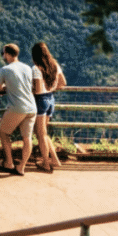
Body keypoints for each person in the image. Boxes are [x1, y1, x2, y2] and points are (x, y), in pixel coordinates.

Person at [0, 43, 37, 176]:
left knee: (3, 133)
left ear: (7, 53)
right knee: (27, 138)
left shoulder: (5, 70)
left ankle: (9, 163)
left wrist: (6, 88)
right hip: (32, 107)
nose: (3, 56)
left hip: (17, 107)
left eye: (3, 53)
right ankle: (21, 167)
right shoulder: (27, 68)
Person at [31, 42, 67, 172]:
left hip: (40, 101)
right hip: (51, 99)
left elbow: (38, 89)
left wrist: (30, 90)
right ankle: (55, 160)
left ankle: (46, 163)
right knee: (43, 133)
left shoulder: (36, 68)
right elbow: (63, 83)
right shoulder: (55, 65)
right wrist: (51, 88)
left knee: (40, 134)